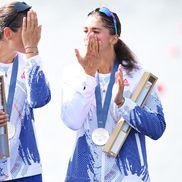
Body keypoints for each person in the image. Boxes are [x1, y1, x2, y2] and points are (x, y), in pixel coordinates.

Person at [60, 6, 166, 182]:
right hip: (83, 175)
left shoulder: (138, 76)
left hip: (128, 176)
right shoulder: (73, 73)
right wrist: (89, 76)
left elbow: (157, 128)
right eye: (85, 31)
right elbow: (72, 121)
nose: (88, 36)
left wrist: (123, 104)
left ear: (114, 38)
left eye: (96, 31)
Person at [0, 1, 51, 181]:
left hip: (26, 170)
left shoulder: (30, 61)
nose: (33, 35)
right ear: (7, 33)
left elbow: (40, 99)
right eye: (27, 29)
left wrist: (32, 49)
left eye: (34, 28)